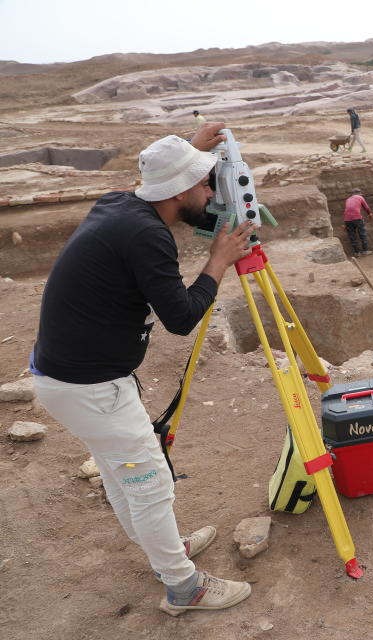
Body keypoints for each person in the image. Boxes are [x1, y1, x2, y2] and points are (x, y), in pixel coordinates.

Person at [31, 125, 254, 616]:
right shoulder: (147, 235)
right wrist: (217, 260)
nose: (211, 193)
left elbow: (166, 181)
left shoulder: (119, 204)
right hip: (90, 387)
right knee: (148, 481)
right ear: (177, 192)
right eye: (202, 185)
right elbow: (180, 317)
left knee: (121, 472)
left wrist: (187, 152)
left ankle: (166, 550)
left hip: (71, 379)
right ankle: (183, 587)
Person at [345, 188, 373, 256]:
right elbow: (366, 207)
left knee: (352, 236)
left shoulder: (348, 199)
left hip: (347, 220)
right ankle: (365, 251)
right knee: (362, 234)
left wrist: (346, 225)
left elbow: (348, 210)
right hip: (357, 218)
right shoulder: (360, 197)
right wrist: (370, 214)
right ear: (358, 194)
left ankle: (357, 253)